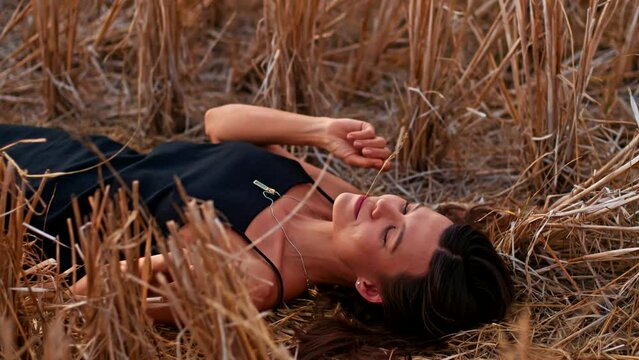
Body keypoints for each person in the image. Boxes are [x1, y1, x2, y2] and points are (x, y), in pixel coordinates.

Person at [0, 104, 514, 357]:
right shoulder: (330, 197)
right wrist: (317, 130)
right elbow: (219, 123)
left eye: (389, 236)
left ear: (370, 288)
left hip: (29, 208)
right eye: (406, 206)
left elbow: (88, 294)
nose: (381, 205)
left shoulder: (252, 280)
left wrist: (182, 267)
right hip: (71, 150)